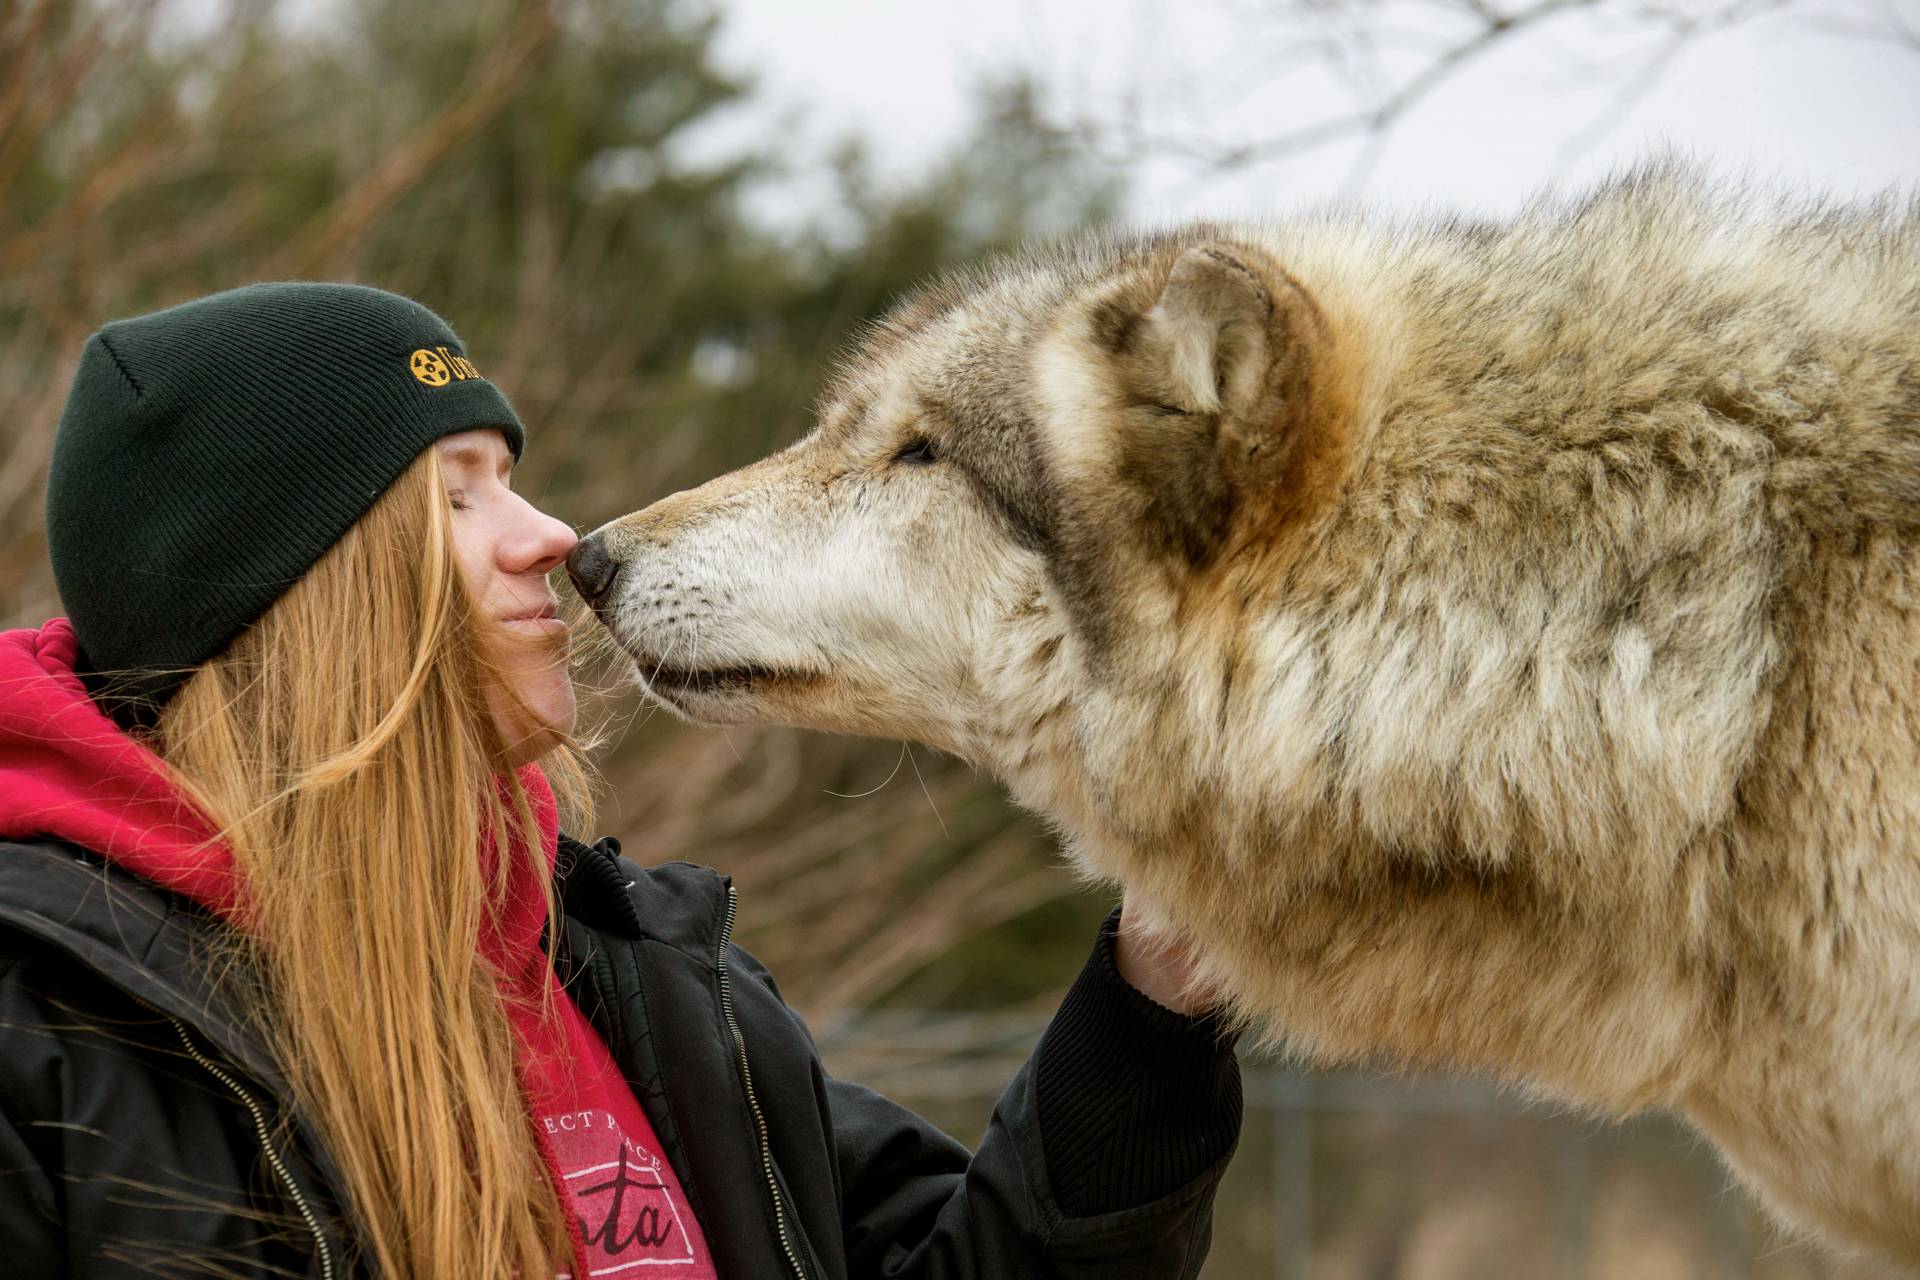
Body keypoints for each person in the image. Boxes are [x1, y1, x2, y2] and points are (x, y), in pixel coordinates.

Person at [0, 283, 1242, 1278]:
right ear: (289, 592)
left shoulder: (646, 979)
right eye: (455, 493)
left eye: (512, 473)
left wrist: (1159, 991)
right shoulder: (46, 1034)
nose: (547, 532)